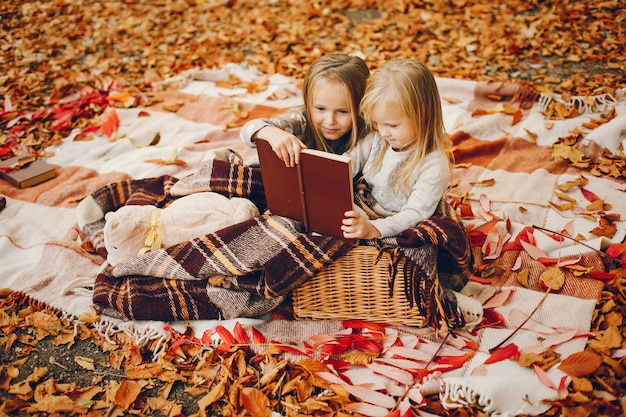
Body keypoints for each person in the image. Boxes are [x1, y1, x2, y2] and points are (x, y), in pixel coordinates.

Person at [341, 59, 453, 240]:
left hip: (395, 224)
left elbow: (415, 214)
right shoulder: (377, 139)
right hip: (364, 207)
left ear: (423, 114)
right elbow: (347, 163)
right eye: (377, 123)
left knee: (418, 247)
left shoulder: (433, 165)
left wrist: (373, 229)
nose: (383, 132)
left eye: (392, 125)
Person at [240, 54, 370, 167]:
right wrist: (271, 133)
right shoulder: (301, 120)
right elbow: (247, 130)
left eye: (343, 111)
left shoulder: (369, 131)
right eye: (320, 108)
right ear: (308, 102)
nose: (330, 121)